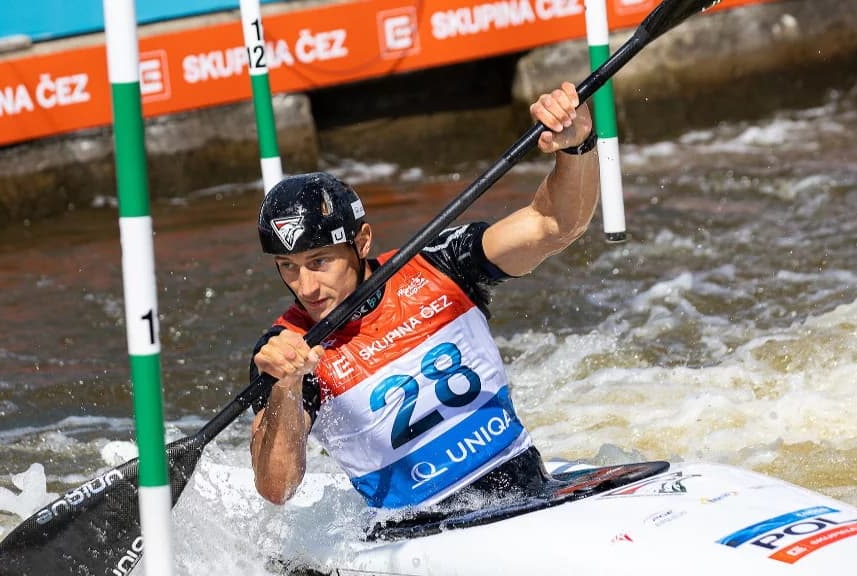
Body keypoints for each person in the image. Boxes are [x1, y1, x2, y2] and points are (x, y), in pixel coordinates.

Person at [249, 81, 599, 511]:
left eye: (320, 261)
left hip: (528, 489)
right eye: (289, 267)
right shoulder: (286, 349)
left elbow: (554, 225)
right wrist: (286, 385)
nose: (305, 287)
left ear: (361, 242)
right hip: (416, 536)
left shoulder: (439, 263)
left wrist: (577, 147)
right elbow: (276, 488)